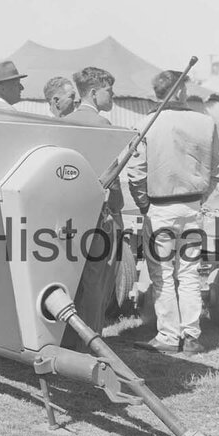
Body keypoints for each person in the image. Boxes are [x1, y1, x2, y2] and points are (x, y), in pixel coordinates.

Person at [127, 69, 219, 355]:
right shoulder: (206, 122)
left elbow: (135, 172)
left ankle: (169, 336)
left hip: (160, 208)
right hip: (192, 206)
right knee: (190, 273)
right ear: (180, 91)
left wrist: (145, 205)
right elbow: (215, 170)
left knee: (163, 275)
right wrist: (199, 198)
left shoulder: (146, 123)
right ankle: (191, 335)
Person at [57, 66, 126, 349]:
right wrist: (117, 207)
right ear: (95, 93)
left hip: (64, 216)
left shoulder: (63, 122)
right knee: (95, 283)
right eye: (109, 90)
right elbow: (112, 176)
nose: (113, 95)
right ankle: (91, 343)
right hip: (98, 217)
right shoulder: (102, 125)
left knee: (67, 279)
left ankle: (65, 339)